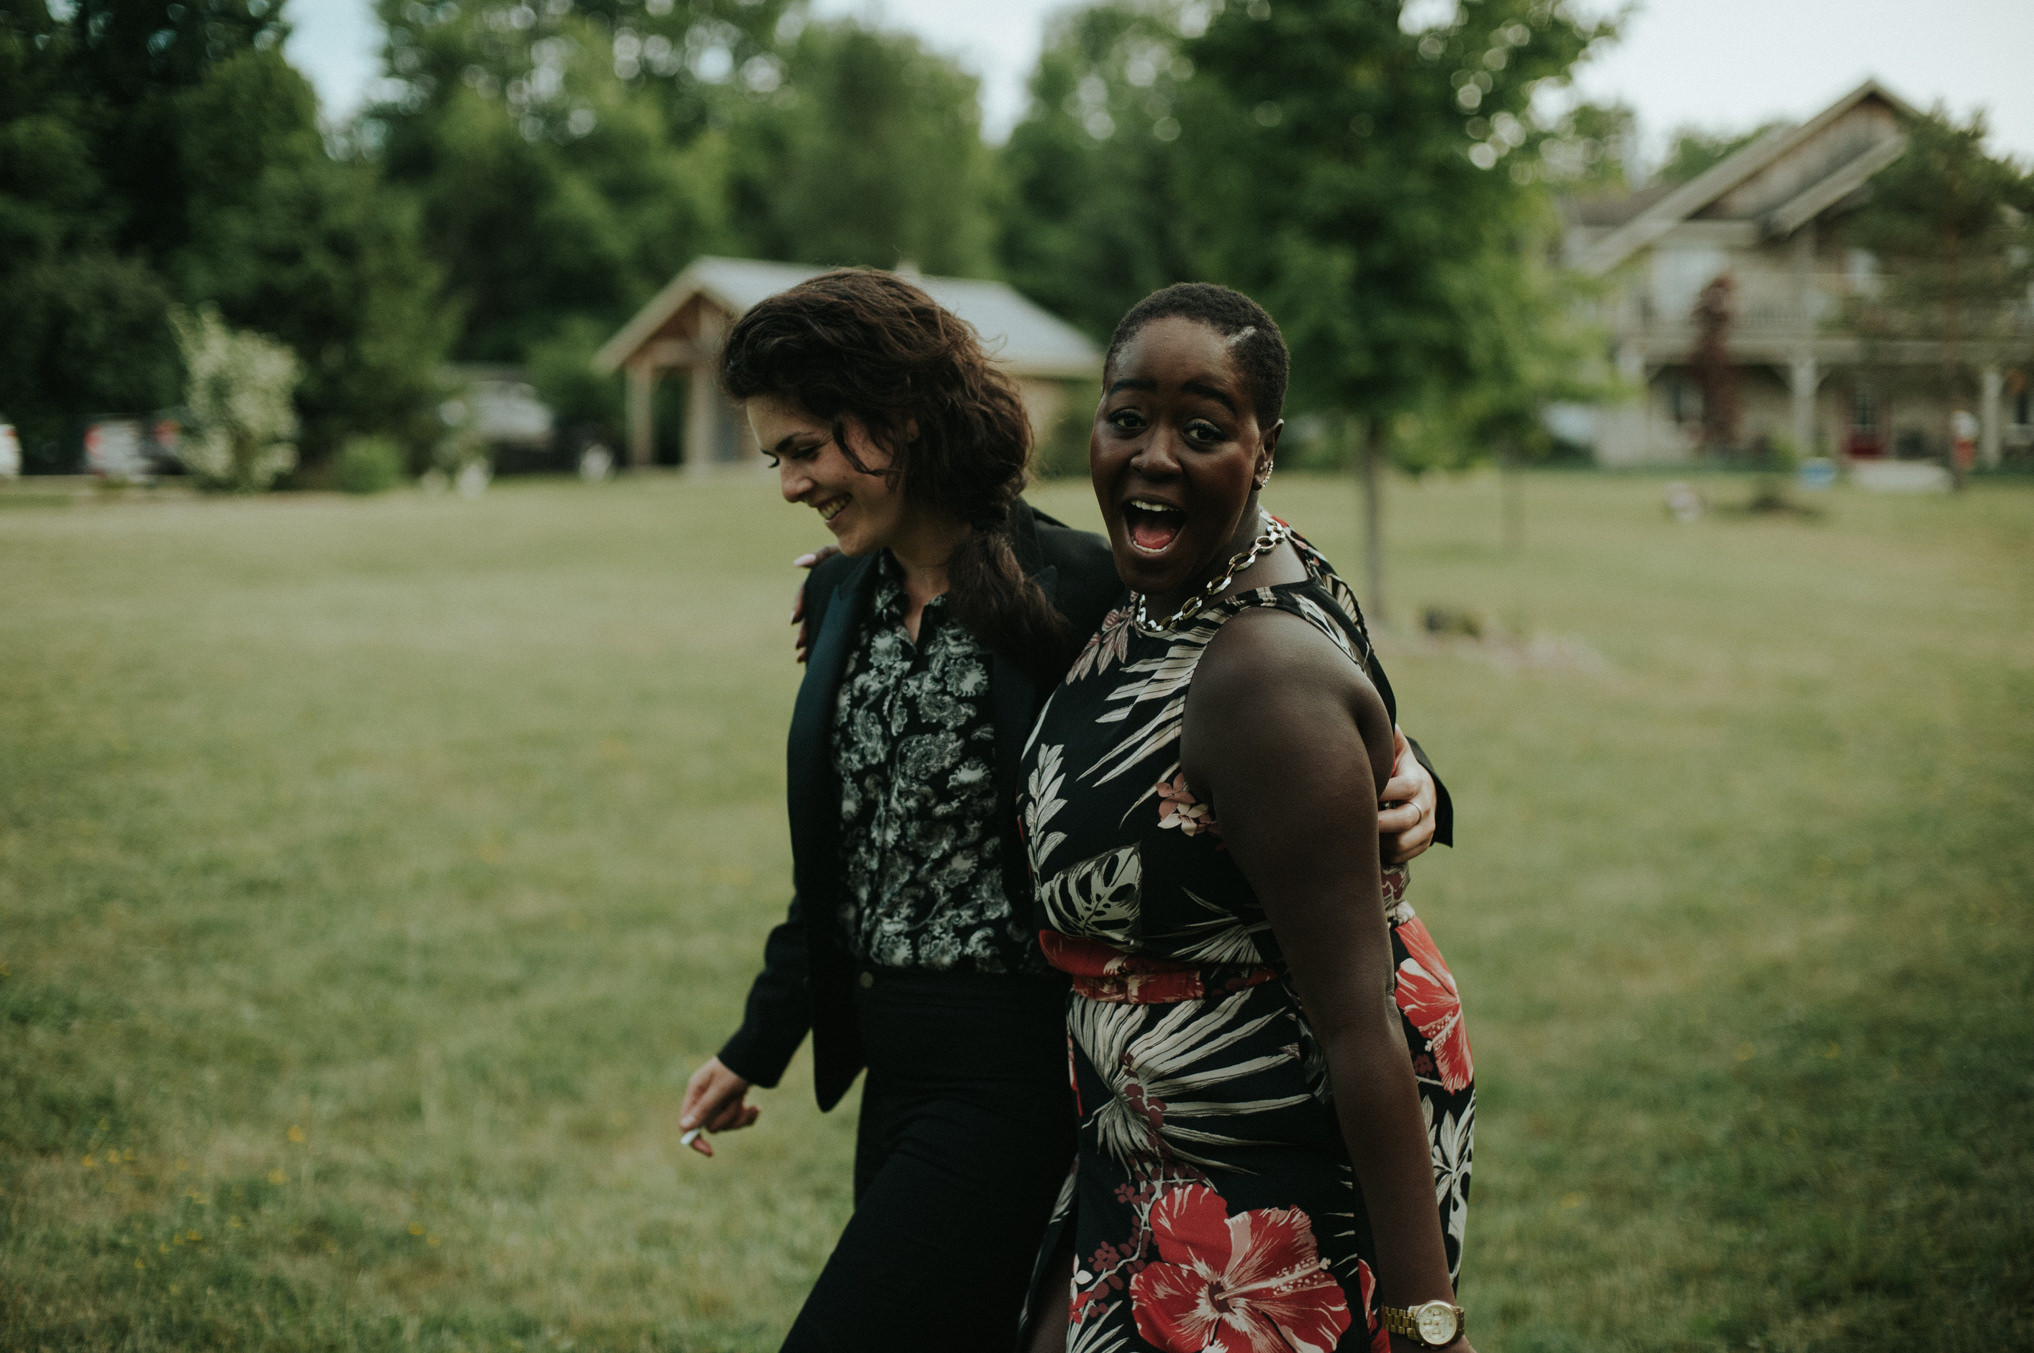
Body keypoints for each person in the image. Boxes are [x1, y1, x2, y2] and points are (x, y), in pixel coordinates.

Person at [673, 269, 1449, 1351]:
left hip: (1016, 1070)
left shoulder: (1086, 589)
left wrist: (1419, 781)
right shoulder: (836, 593)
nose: (793, 482)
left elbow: (1299, 703)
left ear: (897, 425)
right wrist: (759, 1043)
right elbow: (846, 860)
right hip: (891, 1072)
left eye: (804, 449)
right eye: (778, 458)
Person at [1017, 284, 1475, 1353]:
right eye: (1128, 416)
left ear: (1263, 449)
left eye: (1204, 429)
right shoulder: (1166, 587)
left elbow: (1360, 1020)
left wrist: (1423, 1320)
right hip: (1143, 1140)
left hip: (1263, 1163)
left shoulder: (1260, 674)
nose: (1155, 454)